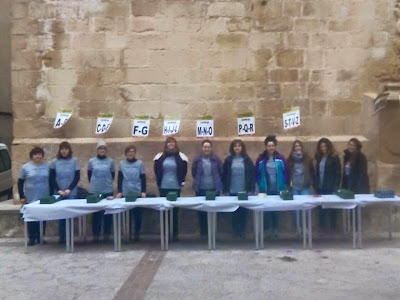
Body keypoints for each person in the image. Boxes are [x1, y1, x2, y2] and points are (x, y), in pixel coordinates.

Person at [154, 137, 188, 241]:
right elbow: (156, 169)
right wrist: (159, 181)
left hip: (175, 186)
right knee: (164, 210)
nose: (171, 144)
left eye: (173, 143)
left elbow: (184, 170)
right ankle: (164, 232)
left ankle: (174, 233)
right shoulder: (160, 156)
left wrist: (182, 180)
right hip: (163, 186)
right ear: (166, 144)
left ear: (175, 144)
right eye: (169, 143)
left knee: (174, 210)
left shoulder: (181, 156)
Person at [255, 135, 289, 238]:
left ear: (275, 146)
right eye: (269, 146)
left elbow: (286, 172)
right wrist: (259, 184)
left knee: (276, 211)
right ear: (266, 147)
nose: (271, 148)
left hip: (278, 188)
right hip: (265, 189)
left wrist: (285, 183)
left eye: (272, 145)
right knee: (266, 211)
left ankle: (275, 230)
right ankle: (266, 231)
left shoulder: (281, 158)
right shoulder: (260, 159)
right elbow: (257, 173)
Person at [18, 147, 52, 246]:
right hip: (30, 196)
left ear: (42, 156)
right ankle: (32, 237)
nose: (38, 156)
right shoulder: (26, 167)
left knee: (43, 217)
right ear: (32, 156)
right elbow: (20, 182)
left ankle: (41, 237)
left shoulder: (46, 167)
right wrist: (21, 196)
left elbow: (50, 181)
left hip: (44, 196)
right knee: (32, 217)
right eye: (36, 154)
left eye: (40, 154)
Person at [222, 139, 255, 239]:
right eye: (235, 146)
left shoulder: (247, 160)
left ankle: (242, 231)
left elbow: (251, 175)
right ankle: (235, 231)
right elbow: (224, 174)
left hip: (243, 190)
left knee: (243, 211)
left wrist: (251, 188)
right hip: (232, 189)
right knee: (234, 212)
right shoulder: (228, 160)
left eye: (239, 146)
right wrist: (225, 188)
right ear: (232, 148)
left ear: (242, 148)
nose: (237, 148)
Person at [50, 141, 80, 244]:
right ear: (59, 150)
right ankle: (62, 236)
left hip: (70, 192)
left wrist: (69, 189)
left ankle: (70, 236)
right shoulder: (55, 162)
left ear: (69, 150)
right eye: (62, 149)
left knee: (70, 215)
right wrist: (58, 190)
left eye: (66, 149)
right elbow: (52, 178)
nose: (64, 151)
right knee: (61, 215)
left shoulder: (74, 161)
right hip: (59, 193)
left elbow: (77, 177)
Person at [192, 140, 223, 239]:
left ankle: (213, 232)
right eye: (205, 147)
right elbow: (194, 172)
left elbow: (221, 171)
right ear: (202, 148)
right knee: (202, 212)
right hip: (201, 189)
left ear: (211, 148)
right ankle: (203, 233)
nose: (206, 149)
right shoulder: (197, 160)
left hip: (214, 189)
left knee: (214, 211)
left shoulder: (216, 159)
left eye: (208, 147)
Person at [116, 144, 146, 241]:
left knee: (137, 214)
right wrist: (119, 191)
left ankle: (137, 233)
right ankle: (127, 233)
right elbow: (120, 178)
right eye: (129, 152)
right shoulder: (122, 164)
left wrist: (143, 191)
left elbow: (143, 178)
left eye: (132, 151)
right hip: (126, 192)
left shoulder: (140, 163)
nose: (131, 153)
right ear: (126, 153)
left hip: (137, 191)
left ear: (135, 153)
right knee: (127, 214)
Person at [88, 140, 115, 242]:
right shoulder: (91, 161)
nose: (102, 150)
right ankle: (96, 234)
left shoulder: (111, 161)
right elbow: (89, 175)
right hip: (95, 191)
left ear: (106, 150)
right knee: (96, 214)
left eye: (104, 148)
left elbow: (112, 174)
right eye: (100, 148)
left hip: (107, 190)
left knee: (107, 214)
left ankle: (107, 234)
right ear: (97, 150)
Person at [314, 138, 341, 232]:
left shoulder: (334, 157)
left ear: (328, 146)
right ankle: (322, 228)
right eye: (321, 146)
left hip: (330, 186)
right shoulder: (319, 157)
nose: (323, 148)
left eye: (325, 146)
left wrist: (336, 187)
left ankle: (333, 228)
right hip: (321, 186)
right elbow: (317, 173)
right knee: (321, 208)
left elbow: (338, 173)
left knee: (332, 208)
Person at [287, 140, 315, 234]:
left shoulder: (308, 160)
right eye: (295, 146)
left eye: (299, 146)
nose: (297, 148)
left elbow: (312, 172)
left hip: (304, 186)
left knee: (306, 208)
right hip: (294, 186)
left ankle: (306, 227)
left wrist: (311, 182)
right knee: (295, 210)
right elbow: (287, 174)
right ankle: (298, 228)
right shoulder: (290, 160)